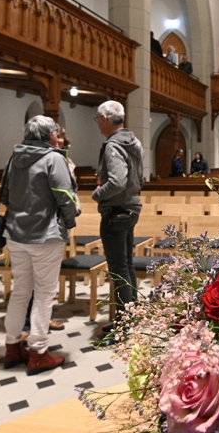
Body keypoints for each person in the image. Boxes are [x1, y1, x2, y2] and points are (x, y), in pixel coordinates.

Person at [0, 115, 78, 374]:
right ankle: (38, 351)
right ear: (47, 136)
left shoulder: (14, 157)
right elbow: (65, 195)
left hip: (15, 233)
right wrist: (69, 220)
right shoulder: (54, 157)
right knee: (44, 295)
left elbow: (6, 192)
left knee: (20, 291)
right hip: (45, 234)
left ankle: (12, 347)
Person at [92, 100, 145, 336]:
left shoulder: (113, 145)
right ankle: (131, 319)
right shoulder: (134, 142)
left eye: (97, 119)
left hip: (116, 211)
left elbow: (116, 181)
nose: (98, 124)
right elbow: (140, 178)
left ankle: (123, 326)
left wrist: (97, 194)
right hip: (131, 208)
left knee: (118, 269)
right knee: (127, 267)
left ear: (105, 119)